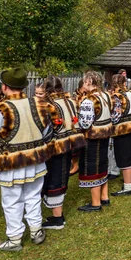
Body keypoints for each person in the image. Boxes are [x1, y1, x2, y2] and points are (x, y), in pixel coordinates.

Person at [0, 68, 59, 250]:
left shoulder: (0, 109)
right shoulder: (38, 103)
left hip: (11, 163)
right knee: (33, 195)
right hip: (35, 160)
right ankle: (36, 231)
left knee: (12, 201)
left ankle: (15, 238)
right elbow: (47, 131)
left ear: (4, 87)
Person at [41, 76, 87, 230]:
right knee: (61, 176)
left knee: (54, 179)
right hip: (69, 144)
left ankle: (57, 218)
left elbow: (46, 131)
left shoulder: (48, 105)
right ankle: (57, 215)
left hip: (54, 147)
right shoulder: (70, 101)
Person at [77, 71, 113, 211]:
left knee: (92, 168)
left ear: (89, 82)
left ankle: (95, 203)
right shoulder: (106, 96)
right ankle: (104, 197)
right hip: (105, 135)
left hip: (92, 138)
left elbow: (85, 124)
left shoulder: (89, 100)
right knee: (102, 165)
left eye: (84, 81)